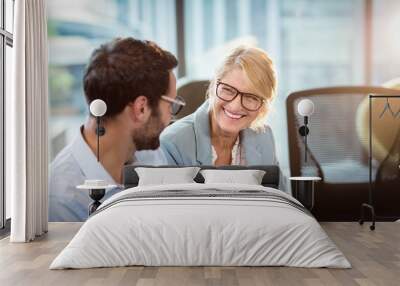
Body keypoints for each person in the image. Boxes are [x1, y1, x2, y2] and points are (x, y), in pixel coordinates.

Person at [49, 38, 185, 221]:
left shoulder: (152, 156)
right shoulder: (62, 200)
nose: (171, 117)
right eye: (172, 105)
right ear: (141, 109)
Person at [160, 46, 278, 167]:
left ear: (263, 105)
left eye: (251, 97)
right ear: (213, 87)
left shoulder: (264, 137)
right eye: (228, 90)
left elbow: (275, 186)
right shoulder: (171, 144)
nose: (235, 106)